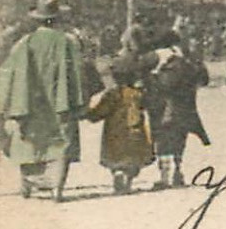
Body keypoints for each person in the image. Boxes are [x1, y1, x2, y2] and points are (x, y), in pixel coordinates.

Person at [0, 0, 92, 201]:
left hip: (31, 104)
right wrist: (82, 101)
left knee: (29, 141)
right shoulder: (69, 42)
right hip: (62, 103)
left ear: (37, 19)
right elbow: (81, 73)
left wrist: (6, 104)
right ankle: (57, 188)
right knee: (61, 142)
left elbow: (9, 73)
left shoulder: (24, 43)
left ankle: (28, 183)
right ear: (57, 19)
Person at [85, 28, 156, 194]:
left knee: (115, 157)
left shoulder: (114, 93)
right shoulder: (138, 93)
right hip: (134, 128)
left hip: (114, 131)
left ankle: (117, 174)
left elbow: (101, 110)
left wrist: (89, 114)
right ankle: (128, 179)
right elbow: (150, 103)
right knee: (133, 158)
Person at [144, 28, 210, 189]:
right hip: (186, 106)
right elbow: (204, 79)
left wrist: (152, 79)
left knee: (162, 141)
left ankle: (165, 176)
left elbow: (158, 82)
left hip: (164, 107)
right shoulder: (189, 59)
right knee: (179, 139)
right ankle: (177, 172)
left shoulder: (159, 59)